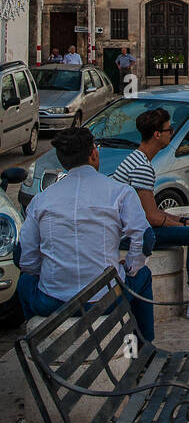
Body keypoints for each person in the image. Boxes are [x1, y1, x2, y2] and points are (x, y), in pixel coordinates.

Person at [16, 125, 154, 340]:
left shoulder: (40, 200)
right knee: (143, 275)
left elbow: (27, 259)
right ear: (94, 154)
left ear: (62, 161)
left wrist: (43, 273)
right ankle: (145, 344)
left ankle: (40, 341)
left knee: (25, 282)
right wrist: (130, 268)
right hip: (108, 298)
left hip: (52, 302)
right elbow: (144, 238)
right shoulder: (120, 192)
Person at [111, 107, 189, 321]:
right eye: (169, 129)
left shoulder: (137, 159)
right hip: (130, 236)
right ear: (157, 135)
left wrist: (185, 220)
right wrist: (184, 226)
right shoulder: (141, 168)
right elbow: (151, 217)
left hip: (135, 227)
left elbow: (151, 212)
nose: (171, 133)